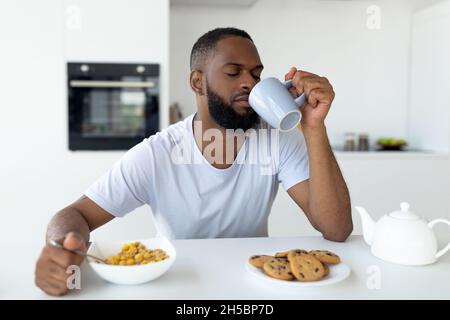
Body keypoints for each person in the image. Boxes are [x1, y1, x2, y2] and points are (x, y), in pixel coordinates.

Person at [35, 27, 352, 296]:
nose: (249, 83)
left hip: (254, 288)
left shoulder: (277, 139)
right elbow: (74, 214)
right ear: (197, 82)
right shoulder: (158, 153)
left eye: (256, 75)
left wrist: (314, 127)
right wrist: (60, 247)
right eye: (233, 72)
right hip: (175, 287)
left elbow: (336, 230)